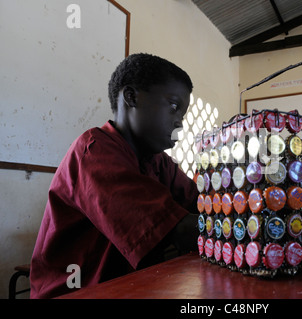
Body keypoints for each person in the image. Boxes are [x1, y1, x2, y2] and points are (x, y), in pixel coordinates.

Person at [30, 53, 199, 299]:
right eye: (173, 106)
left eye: (182, 114)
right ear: (131, 97)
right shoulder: (94, 151)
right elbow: (182, 230)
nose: (180, 123)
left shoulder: (159, 162)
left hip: (131, 287)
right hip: (76, 293)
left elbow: (205, 206)